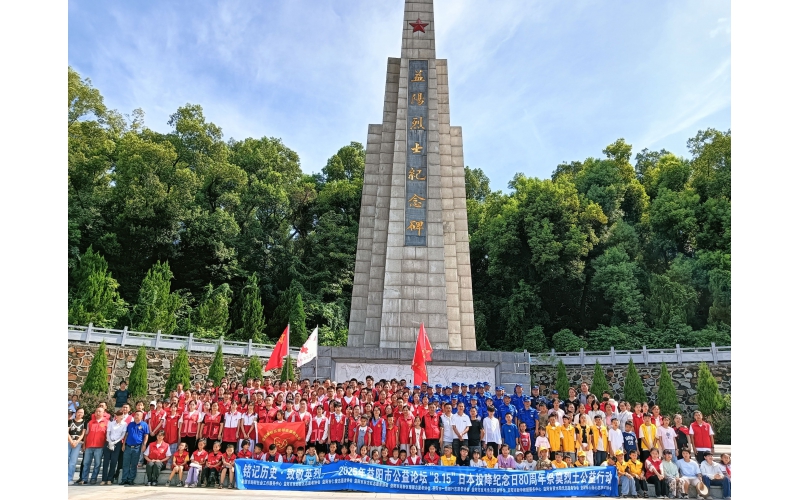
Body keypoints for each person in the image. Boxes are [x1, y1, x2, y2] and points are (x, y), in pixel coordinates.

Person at [79, 407, 107, 485]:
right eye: (96, 411)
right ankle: (84, 479)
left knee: (97, 464)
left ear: (103, 413)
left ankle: (93, 478)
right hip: (89, 446)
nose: (98, 413)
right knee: (86, 463)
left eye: (100, 411)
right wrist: (84, 444)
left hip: (99, 446)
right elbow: (86, 435)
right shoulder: (90, 423)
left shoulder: (106, 422)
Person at [120, 410, 150, 486]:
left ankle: (130, 479)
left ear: (141, 416)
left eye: (138, 415)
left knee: (134, 464)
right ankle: (124, 479)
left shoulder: (144, 425)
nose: (136, 416)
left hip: (137, 447)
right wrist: (123, 444)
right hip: (128, 446)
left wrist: (144, 445)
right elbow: (126, 434)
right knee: (125, 463)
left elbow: (146, 435)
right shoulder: (130, 424)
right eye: (135, 414)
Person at [102, 410, 127, 485]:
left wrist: (114, 442)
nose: (121, 417)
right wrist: (110, 441)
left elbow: (122, 435)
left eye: (122, 415)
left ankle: (110, 478)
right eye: (119, 415)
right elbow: (108, 433)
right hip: (108, 442)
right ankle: (104, 479)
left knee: (114, 461)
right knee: (106, 462)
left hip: (117, 443)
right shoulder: (111, 423)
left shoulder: (124, 424)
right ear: (116, 416)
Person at [68, 407, 86, 484]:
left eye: (82, 412)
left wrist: (76, 442)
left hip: (77, 443)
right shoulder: (70, 421)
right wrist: (71, 441)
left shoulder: (85, 422)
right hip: (68, 442)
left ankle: (69, 478)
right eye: (79, 412)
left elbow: (82, 434)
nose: (80, 414)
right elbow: (66, 432)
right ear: (76, 413)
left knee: (73, 461)